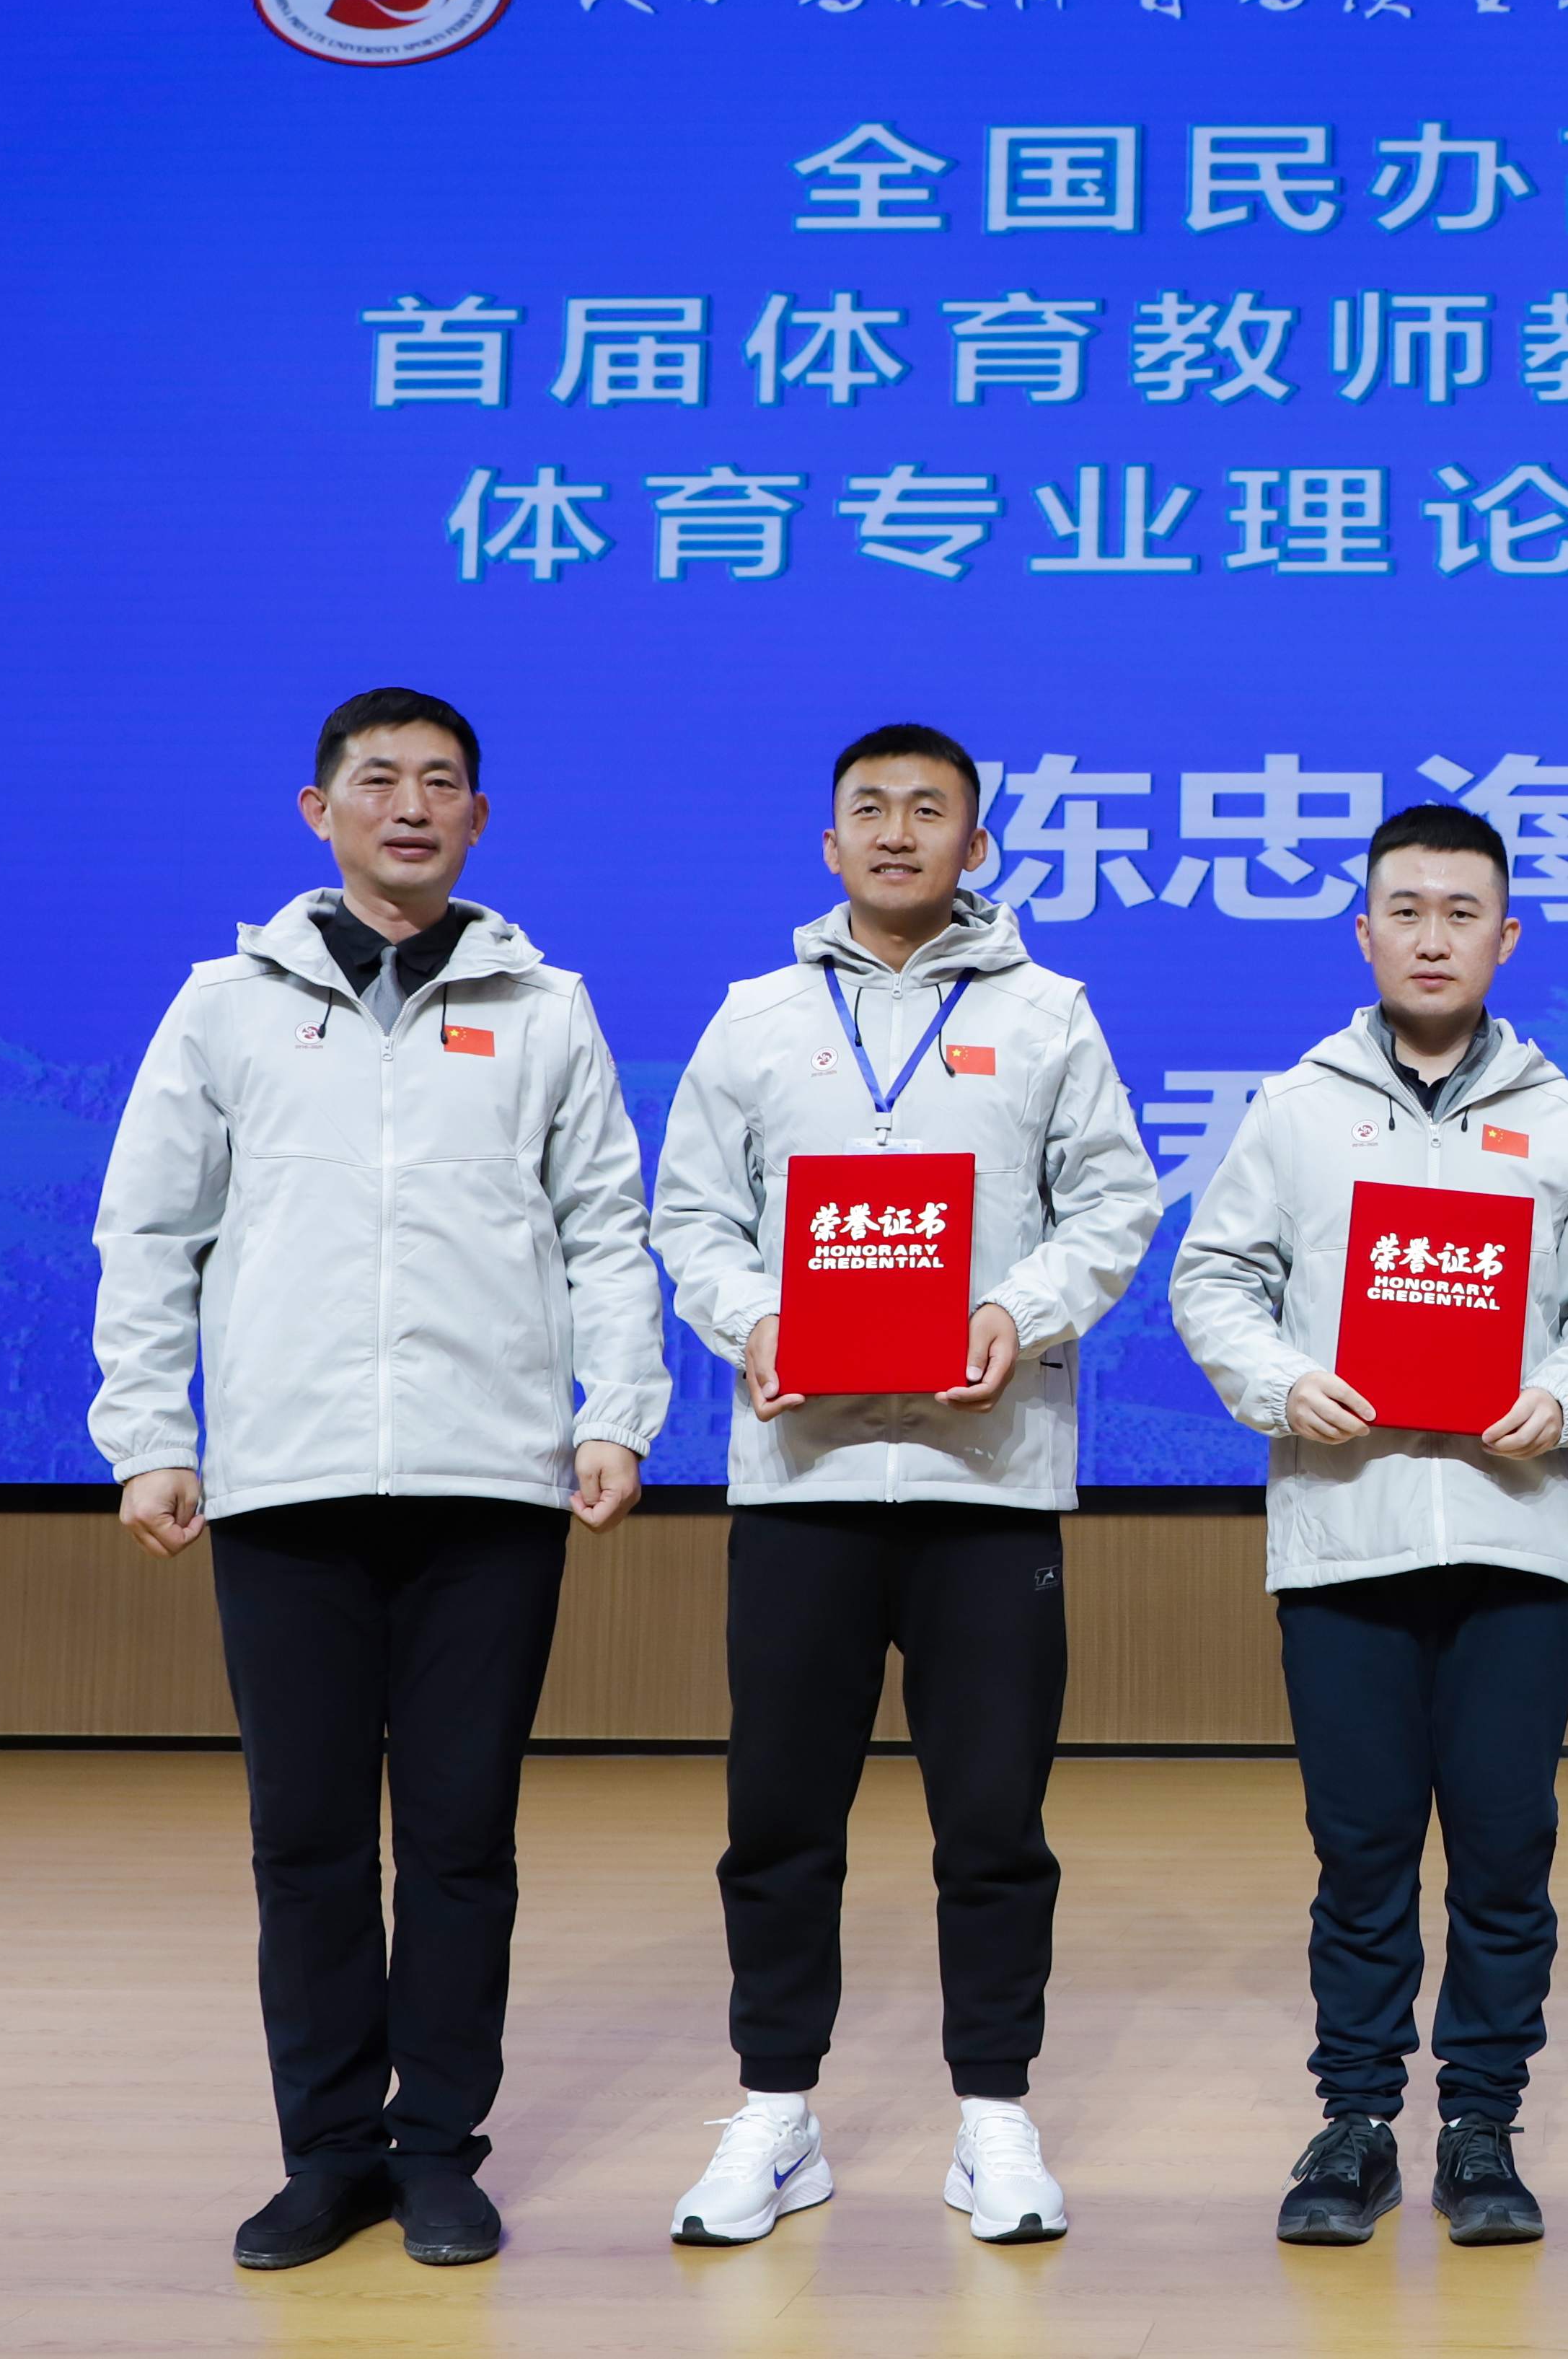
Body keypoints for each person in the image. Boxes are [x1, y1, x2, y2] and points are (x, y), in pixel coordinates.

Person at [90, 688, 667, 2272]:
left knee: (464, 1840)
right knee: (309, 1843)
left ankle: (438, 2153)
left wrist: (617, 1412)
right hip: (287, 1481)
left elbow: (607, 1229)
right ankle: (328, 2154)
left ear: (479, 818)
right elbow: (150, 1228)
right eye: (377, 779)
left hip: (493, 1480)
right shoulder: (226, 1004)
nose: (409, 804)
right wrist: (149, 1434)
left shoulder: (544, 1005)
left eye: (441, 783)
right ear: (318, 809)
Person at [647, 723, 1160, 2252]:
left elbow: (1115, 1204)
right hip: (799, 1475)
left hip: (985, 1483)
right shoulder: (756, 1017)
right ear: (828, 846)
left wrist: (1021, 1310)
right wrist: (754, 1320)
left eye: (928, 810)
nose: (895, 831)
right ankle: (775, 2112)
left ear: (975, 845)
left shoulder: (1049, 1013)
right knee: (777, 1812)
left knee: (991, 1817)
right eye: (866, 809)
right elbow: (689, 1213)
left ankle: (993, 2114)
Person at [1170, 801, 1568, 2251]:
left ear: (1506, 937)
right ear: (1364, 932)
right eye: (1406, 909)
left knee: (1506, 1851)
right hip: (1345, 1535)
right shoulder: (1295, 1108)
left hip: (1512, 1537)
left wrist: (1567, 1393)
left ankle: (1483, 2124)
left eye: (1462, 912)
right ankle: (1356, 2123)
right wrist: (1282, 1384)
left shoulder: (1561, 1117)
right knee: (1363, 1851)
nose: (1432, 936)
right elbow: (1214, 1280)